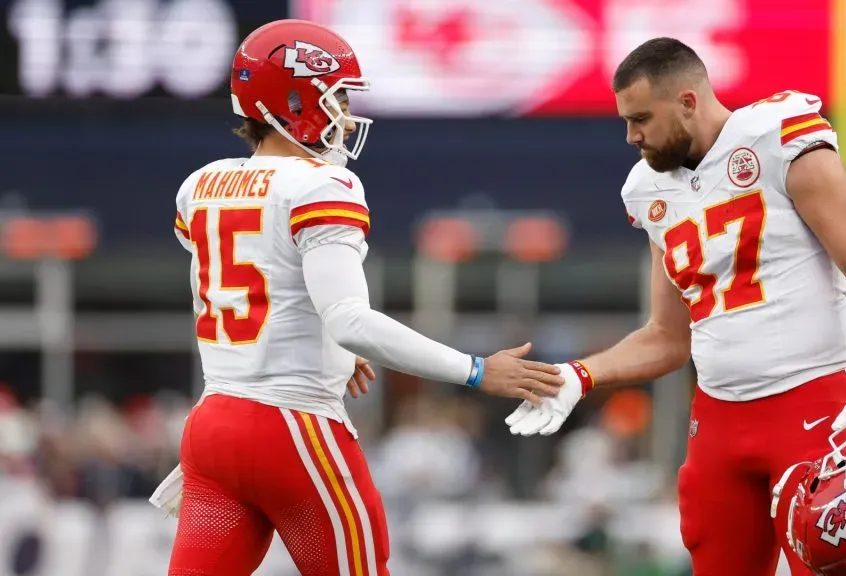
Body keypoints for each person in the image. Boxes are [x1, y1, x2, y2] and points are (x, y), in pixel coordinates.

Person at [153, 19, 563, 576]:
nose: (344, 115)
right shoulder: (322, 185)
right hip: (292, 427)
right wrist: (474, 370)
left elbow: (262, 289)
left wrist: (323, 347)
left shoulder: (198, 186)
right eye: (335, 96)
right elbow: (347, 319)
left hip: (211, 427)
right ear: (290, 101)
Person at [505, 37, 846, 575]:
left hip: (810, 406)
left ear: (689, 102)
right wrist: (581, 375)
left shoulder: (779, 138)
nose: (632, 136)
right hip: (717, 421)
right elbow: (667, 337)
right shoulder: (648, 190)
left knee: (829, 564)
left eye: (642, 118)